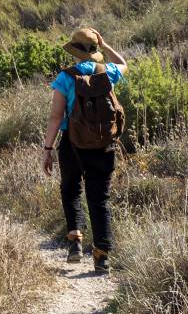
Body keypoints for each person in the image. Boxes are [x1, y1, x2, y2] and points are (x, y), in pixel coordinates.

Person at [41, 28, 127, 274]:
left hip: (72, 143)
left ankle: (75, 243)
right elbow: (122, 63)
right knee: (99, 198)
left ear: (75, 50)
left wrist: (47, 149)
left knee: (70, 190)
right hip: (103, 144)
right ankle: (101, 257)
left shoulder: (65, 78)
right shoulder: (108, 73)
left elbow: (55, 118)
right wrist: (105, 44)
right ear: (96, 50)